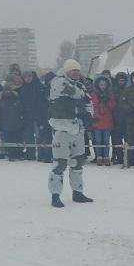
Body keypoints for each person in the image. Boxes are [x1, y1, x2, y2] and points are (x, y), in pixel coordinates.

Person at [47, 59, 93, 207]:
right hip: (61, 128)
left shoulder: (80, 85)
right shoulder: (58, 82)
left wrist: (89, 116)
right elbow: (73, 92)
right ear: (66, 71)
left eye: (78, 70)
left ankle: (78, 192)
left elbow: (88, 102)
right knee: (60, 164)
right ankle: (55, 195)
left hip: (77, 129)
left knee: (78, 161)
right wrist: (83, 94)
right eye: (73, 70)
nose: (76, 73)